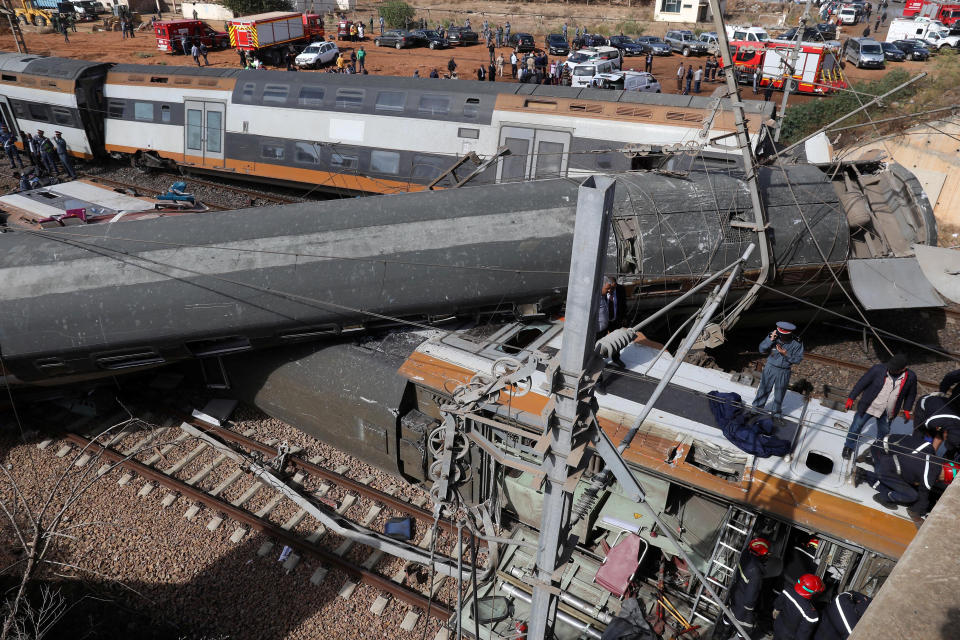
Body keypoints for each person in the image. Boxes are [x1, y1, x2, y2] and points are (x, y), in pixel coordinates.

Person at [853, 424, 948, 522]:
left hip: (883, 449)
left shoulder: (929, 453)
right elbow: (901, 465)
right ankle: (874, 485)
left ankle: (869, 462)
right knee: (902, 488)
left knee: (895, 470)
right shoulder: (920, 457)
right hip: (881, 452)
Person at [842, 354, 917, 460]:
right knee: (856, 426)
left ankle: (877, 451)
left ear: (903, 369)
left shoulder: (911, 377)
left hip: (888, 411)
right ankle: (848, 447)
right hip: (869, 406)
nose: (891, 370)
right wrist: (851, 398)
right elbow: (862, 383)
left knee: (883, 433)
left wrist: (907, 409)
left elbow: (911, 394)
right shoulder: (877, 369)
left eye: (894, 369)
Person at [717, 538, 770, 638]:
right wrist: (750, 610)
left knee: (729, 616)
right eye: (766, 554)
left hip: (735, 594)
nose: (767, 556)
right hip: (743, 606)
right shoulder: (756, 572)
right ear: (761, 555)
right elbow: (750, 598)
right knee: (745, 628)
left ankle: (724, 634)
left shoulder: (745, 553)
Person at [752, 322, 804, 417]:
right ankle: (755, 410)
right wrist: (770, 340)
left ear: (790, 334)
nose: (781, 338)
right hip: (770, 367)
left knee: (779, 393)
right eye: (780, 335)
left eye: (784, 336)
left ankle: (775, 414)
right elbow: (761, 350)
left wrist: (786, 354)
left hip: (784, 371)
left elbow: (798, 359)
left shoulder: (797, 343)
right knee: (763, 390)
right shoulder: (773, 337)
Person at [773, 574, 823, 640]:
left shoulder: (787, 591)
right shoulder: (811, 615)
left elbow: (777, 605)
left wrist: (776, 609)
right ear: (813, 592)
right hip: (789, 636)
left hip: (778, 626)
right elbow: (802, 635)